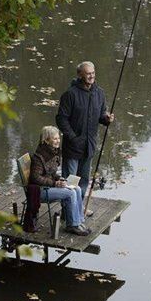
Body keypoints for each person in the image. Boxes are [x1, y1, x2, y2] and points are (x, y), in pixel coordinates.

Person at [56, 61, 115, 212]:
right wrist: (72, 137)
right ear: (79, 75)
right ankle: (67, 211)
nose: (91, 76)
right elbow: (61, 119)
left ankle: (79, 207)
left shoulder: (99, 93)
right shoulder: (70, 94)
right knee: (70, 181)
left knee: (84, 180)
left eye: (93, 73)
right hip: (73, 146)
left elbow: (101, 115)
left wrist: (107, 119)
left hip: (89, 145)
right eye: (88, 73)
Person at [29, 126, 90, 236]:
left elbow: (51, 173)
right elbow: (35, 178)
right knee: (70, 193)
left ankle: (79, 221)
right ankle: (72, 225)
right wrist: (55, 183)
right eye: (55, 139)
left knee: (77, 188)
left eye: (58, 138)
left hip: (50, 187)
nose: (58, 141)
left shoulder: (53, 152)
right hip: (40, 191)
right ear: (46, 140)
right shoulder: (39, 157)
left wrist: (60, 179)